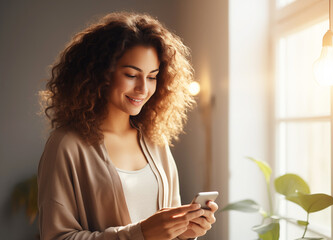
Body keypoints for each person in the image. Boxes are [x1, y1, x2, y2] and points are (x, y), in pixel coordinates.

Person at [37, 12, 218, 240]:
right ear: (100, 74)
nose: (143, 88)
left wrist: (184, 232)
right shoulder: (67, 146)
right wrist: (139, 234)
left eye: (152, 76)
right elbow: (56, 237)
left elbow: (167, 227)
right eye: (132, 74)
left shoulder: (155, 142)